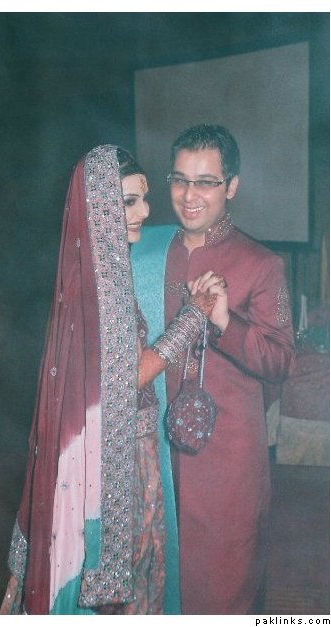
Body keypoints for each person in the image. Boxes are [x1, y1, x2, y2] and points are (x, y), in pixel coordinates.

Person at [0, 144, 217, 615]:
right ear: (98, 209)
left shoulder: (88, 274)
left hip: (98, 455)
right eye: (129, 202)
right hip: (118, 459)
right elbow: (130, 376)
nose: (145, 211)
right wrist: (194, 316)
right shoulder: (106, 287)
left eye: (144, 198)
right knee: (130, 578)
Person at [131, 124, 296, 614]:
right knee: (155, 586)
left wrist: (226, 321)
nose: (190, 195)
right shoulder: (145, 251)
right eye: (180, 179)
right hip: (153, 454)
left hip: (227, 461)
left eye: (206, 182)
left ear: (232, 186)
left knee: (222, 590)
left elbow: (282, 361)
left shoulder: (261, 264)